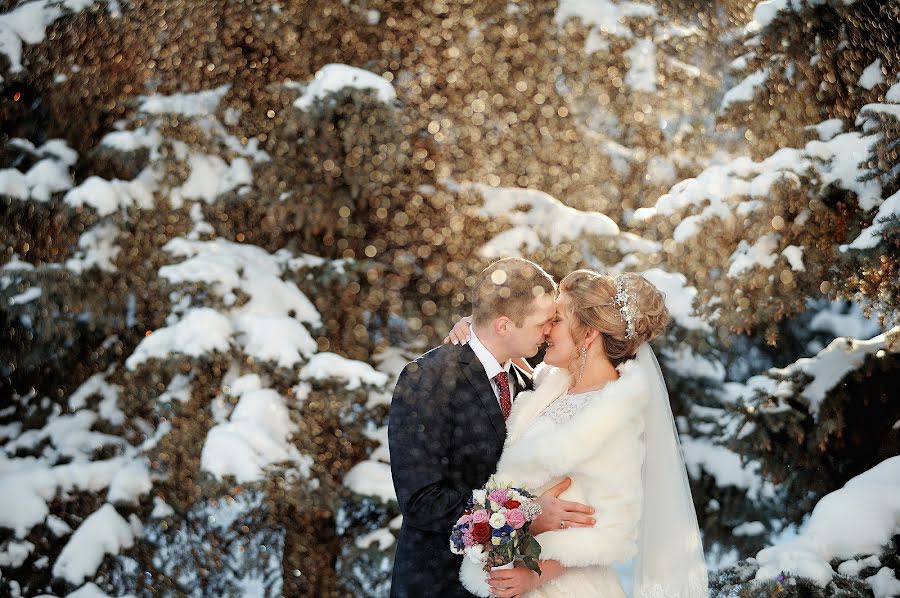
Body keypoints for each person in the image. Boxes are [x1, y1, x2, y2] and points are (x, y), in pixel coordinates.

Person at [449, 270, 708, 598]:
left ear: (587, 333)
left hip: (566, 588)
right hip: (512, 580)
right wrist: (475, 331)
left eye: (556, 319)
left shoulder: (617, 416)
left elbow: (614, 530)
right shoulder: (549, 385)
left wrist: (534, 576)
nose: (545, 329)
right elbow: (502, 353)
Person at [388, 258, 597, 598]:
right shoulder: (428, 378)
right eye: (543, 322)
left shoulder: (528, 384)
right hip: (439, 583)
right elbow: (422, 500)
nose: (549, 330)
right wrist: (528, 513)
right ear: (503, 326)